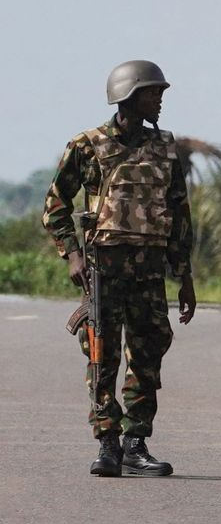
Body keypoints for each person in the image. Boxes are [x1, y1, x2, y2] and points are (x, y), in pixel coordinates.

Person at [43, 60, 197, 477]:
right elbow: (56, 205)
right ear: (129, 96)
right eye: (153, 93)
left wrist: (184, 279)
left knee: (148, 355)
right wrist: (72, 254)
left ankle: (135, 442)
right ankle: (107, 442)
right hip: (102, 271)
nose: (160, 100)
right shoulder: (88, 145)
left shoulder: (166, 147)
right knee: (101, 356)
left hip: (149, 274)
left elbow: (179, 215)